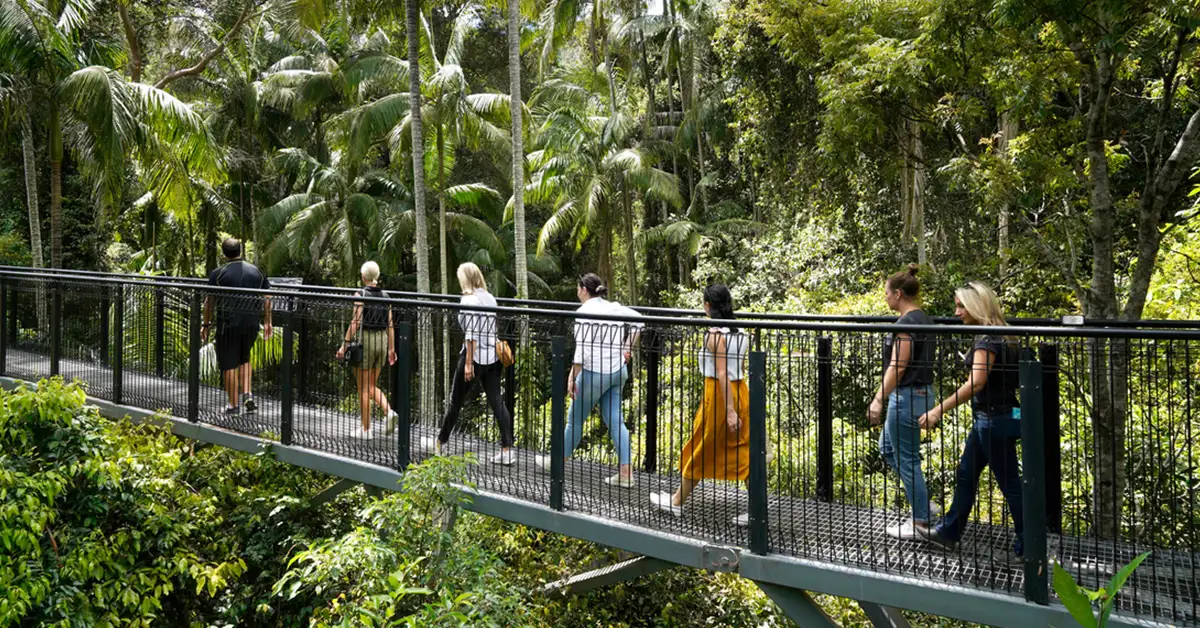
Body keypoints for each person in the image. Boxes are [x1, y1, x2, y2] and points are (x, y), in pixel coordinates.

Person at [917, 281, 1024, 556]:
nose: (956, 312)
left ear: (977, 307)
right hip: (997, 418)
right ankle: (948, 532)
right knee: (966, 475)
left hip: (993, 420)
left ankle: (1029, 543)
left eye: (961, 305)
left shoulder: (986, 339)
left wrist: (938, 409)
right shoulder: (1004, 335)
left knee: (1010, 483)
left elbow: (976, 383)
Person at [650, 285, 752, 526]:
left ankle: (676, 502)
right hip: (741, 391)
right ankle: (678, 499)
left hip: (719, 395)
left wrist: (728, 411)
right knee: (742, 448)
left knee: (702, 443)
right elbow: (737, 369)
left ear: (707, 306)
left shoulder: (715, 335)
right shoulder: (741, 333)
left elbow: (721, 373)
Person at [536, 273, 643, 488]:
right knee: (616, 421)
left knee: (574, 420)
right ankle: (626, 473)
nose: (577, 292)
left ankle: (557, 463)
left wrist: (571, 376)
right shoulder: (614, 306)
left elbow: (581, 352)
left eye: (578, 288)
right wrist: (627, 347)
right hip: (617, 372)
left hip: (594, 374)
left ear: (584, 289)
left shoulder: (584, 312)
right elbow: (640, 322)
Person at [867, 264, 938, 539]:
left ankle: (920, 522)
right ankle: (923, 503)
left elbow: (898, 366)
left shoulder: (906, 323)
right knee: (887, 448)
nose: (884, 298)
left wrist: (877, 400)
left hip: (907, 396)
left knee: (908, 460)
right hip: (921, 394)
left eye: (886, 293)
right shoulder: (924, 318)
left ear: (898, 294)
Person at [422, 262, 516, 465]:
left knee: (456, 402)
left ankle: (439, 443)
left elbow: (471, 335)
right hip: (492, 357)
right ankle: (508, 449)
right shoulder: (490, 298)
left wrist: (468, 364)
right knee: (497, 402)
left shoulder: (467, 300)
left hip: (474, 357)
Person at [202, 238, 272, 416]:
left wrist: (206, 324)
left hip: (228, 325)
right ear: (240, 250)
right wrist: (268, 322)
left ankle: (233, 405)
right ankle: (248, 393)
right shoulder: (257, 271)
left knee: (228, 364)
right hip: (251, 324)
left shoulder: (218, 274)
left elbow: (209, 302)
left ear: (224, 253)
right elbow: (267, 298)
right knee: (244, 358)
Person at [336, 261, 399, 440]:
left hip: (368, 339)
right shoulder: (386, 296)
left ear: (363, 277)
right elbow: (391, 324)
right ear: (376, 276)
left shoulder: (360, 294)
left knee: (363, 388)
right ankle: (389, 412)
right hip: (383, 340)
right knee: (371, 385)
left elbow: (356, 322)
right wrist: (391, 349)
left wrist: (345, 344)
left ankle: (366, 430)